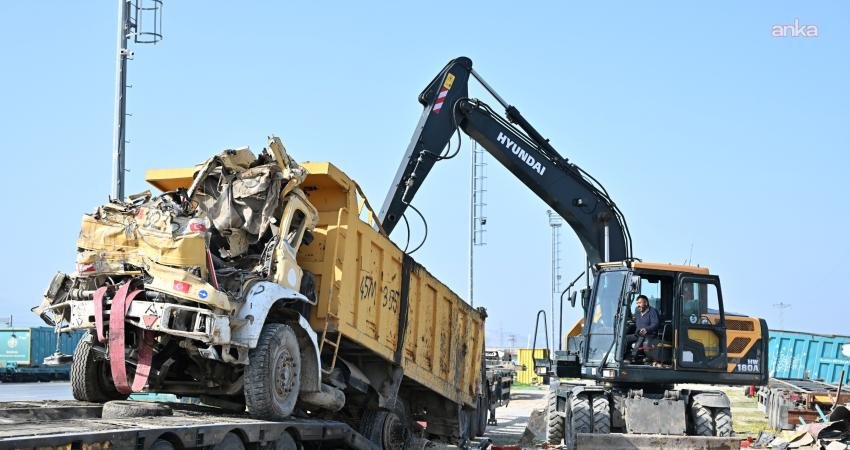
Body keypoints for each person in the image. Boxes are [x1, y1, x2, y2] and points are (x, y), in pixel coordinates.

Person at [623, 294, 660, 362]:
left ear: (646, 303)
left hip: (649, 335)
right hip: (638, 334)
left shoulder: (653, 311)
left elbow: (655, 324)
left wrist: (647, 329)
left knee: (641, 337)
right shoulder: (637, 311)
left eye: (639, 303)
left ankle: (632, 357)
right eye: (637, 303)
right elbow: (635, 320)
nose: (638, 305)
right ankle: (624, 356)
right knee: (624, 338)